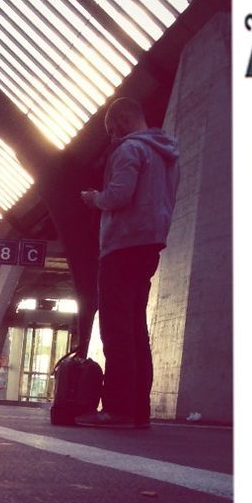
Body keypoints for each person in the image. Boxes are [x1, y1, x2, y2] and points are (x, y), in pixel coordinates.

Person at [78, 97, 180, 428]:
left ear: (123, 120)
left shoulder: (129, 150)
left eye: (111, 129)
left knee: (116, 328)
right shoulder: (167, 154)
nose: (111, 138)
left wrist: (96, 199)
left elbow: (120, 195)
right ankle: (138, 411)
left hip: (122, 245)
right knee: (136, 329)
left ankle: (118, 409)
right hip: (150, 243)